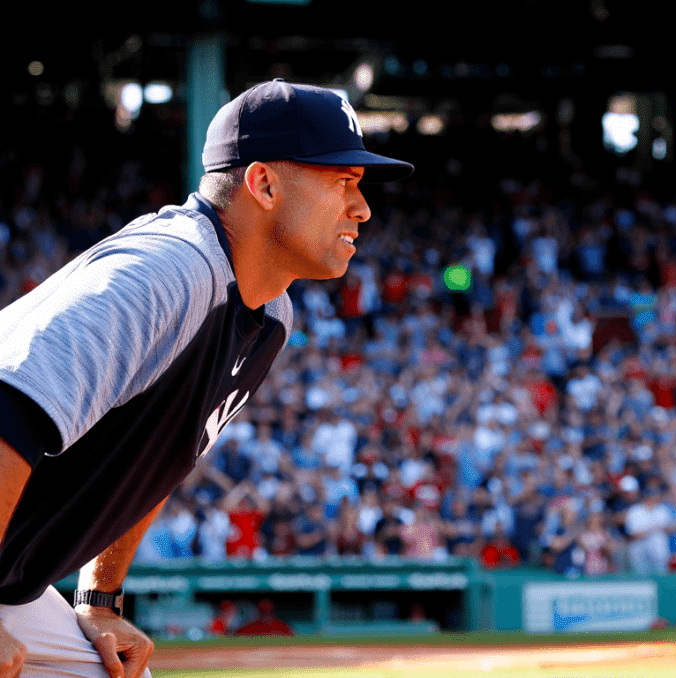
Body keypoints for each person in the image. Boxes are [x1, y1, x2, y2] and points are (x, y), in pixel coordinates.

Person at [0, 79, 413, 678]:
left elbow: (157, 456)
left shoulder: (268, 314)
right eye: (341, 182)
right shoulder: (168, 270)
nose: (362, 207)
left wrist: (100, 598)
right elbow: (8, 402)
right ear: (263, 183)